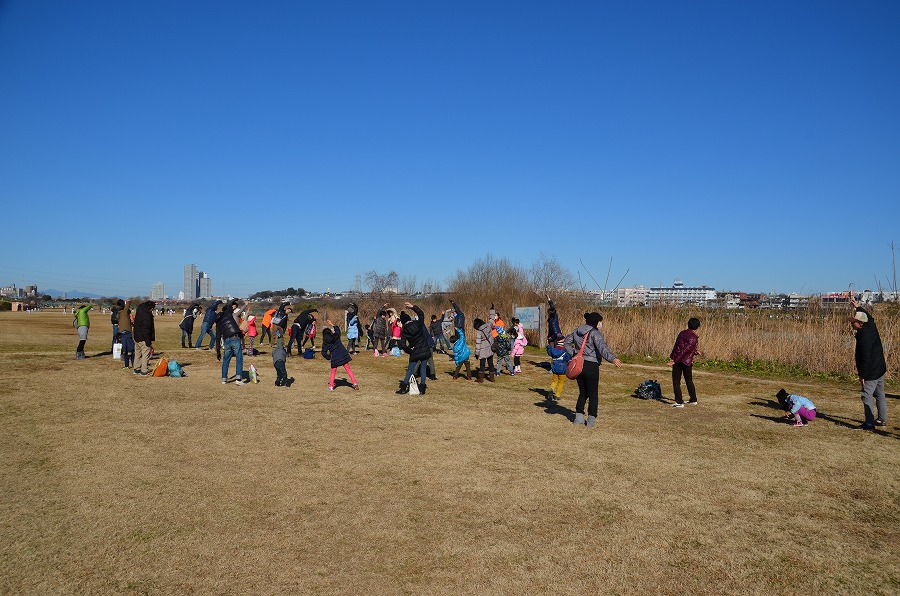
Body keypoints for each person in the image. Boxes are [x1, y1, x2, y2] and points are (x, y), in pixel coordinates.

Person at [564, 312, 622, 428]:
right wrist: (613, 359)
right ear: (596, 322)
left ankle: (578, 418)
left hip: (579, 365)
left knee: (582, 393)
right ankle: (591, 420)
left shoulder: (576, 331)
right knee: (593, 394)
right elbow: (602, 348)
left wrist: (574, 355)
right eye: (600, 322)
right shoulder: (594, 333)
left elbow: (566, 342)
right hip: (591, 365)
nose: (601, 324)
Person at [849, 299, 888, 429]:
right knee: (880, 393)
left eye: (854, 322)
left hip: (871, 371)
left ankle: (870, 423)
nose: (852, 324)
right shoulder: (870, 325)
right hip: (880, 367)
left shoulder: (864, 337)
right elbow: (869, 316)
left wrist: (862, 376)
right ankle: (882, 419)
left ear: (860, 323)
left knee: (866, 395)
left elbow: (865, 359)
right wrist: (857, 306)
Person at [396, 302, 432, 394]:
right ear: (409, 319)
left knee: (410, 369)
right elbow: (421, 314)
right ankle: (422, 388)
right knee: (423, 368)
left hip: (415, 351)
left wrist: (410, 351)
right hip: (425, 348)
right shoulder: (418, 323)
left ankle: (404, 388)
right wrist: (413, 307)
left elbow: (403, 345)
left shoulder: (404, 331)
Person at [667, 317, 702, 407]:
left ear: (688, 324)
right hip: (687, 361)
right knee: (689, 381)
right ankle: (693, 400)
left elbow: (682, 350)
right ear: (698, 327)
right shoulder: (694, 337)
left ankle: (679, 402)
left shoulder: (682, 333)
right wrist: (694, 352)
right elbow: (687, 349)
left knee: (676, 382)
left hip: (680, 361)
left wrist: (674, 360)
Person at [322, 320, 359, 391]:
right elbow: (338, 330)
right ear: (330, 332)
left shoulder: (325, 343)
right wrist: (332, 324)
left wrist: (329, 357)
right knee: (348, 369)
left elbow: (323, 352)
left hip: (335, 357)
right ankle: (355, 383)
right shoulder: (336, 336)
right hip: (343, 355)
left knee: (333, 372)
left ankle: (331, 386)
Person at [216, 300, 245, 384]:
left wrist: (218, 352)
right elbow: (229, 306)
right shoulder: (227, 314)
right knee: (239, 358)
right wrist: (234, 300)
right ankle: (238, 379)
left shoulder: (218, 324)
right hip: (235, 337)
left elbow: (217, 339)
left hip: (226, 341)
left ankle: (224, 379)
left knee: (226, 360)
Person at [132, 300, 155, 376]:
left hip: (136, 337)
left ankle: (136, 369)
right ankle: (144, 370)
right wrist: (148, 341)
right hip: (143, 338)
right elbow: (146, 329)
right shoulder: (147, 316)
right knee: (145, 354)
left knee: (138, 353)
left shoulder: (139, 312)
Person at [473, 318, 495, 383]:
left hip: (483, 350)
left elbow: (478, 344)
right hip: (490, 348)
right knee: (491, 364)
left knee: (482, 365)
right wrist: (492, 310)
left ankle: (481, 379)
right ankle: (492, 378)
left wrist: (476, 353)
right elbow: (491, 319)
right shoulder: (488, 326)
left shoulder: (479, 332)